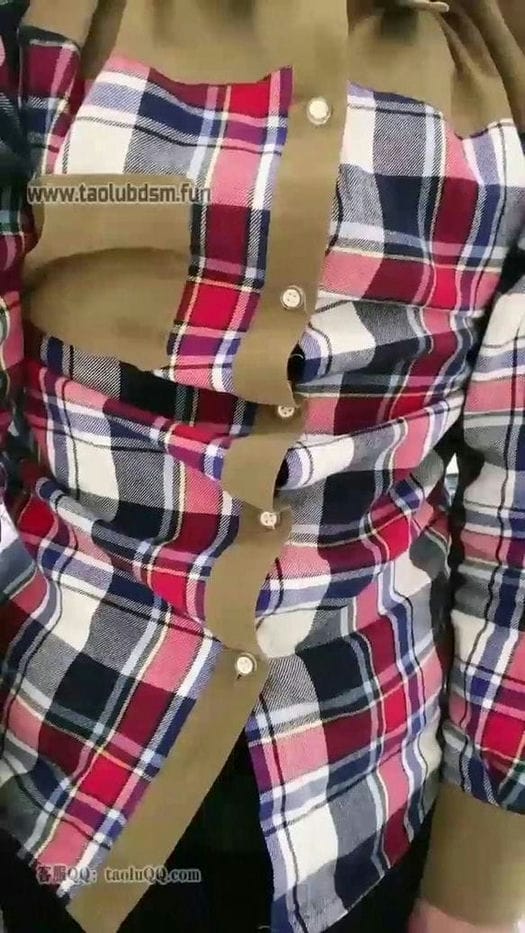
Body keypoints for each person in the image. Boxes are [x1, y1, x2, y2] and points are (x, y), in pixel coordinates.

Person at [0, 1, 524, 931]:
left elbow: (513, 499)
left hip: (367, 804)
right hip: (60, 777)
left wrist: (478, 879)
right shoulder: (45, 30)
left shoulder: (499, 65)